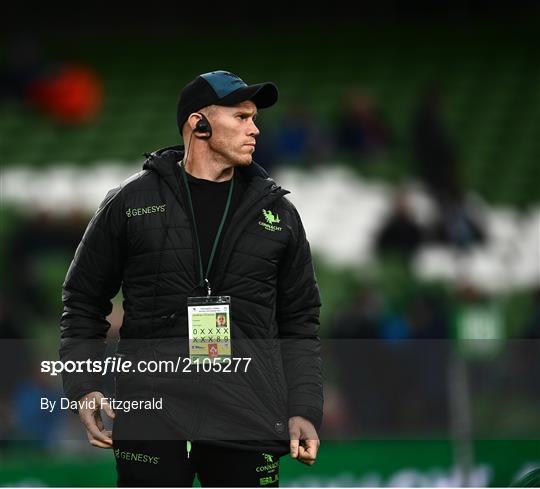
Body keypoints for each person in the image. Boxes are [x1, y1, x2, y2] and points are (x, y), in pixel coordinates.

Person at [59, 70, 323, 487]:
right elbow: (83, 300)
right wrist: (84, 385)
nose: (255, 128)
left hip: (248, 413)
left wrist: (304, 407)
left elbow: (300, 321)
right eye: (241, 117)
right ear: (198, 124)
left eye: (254, 118)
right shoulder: (131, 202)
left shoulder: (280, 215)